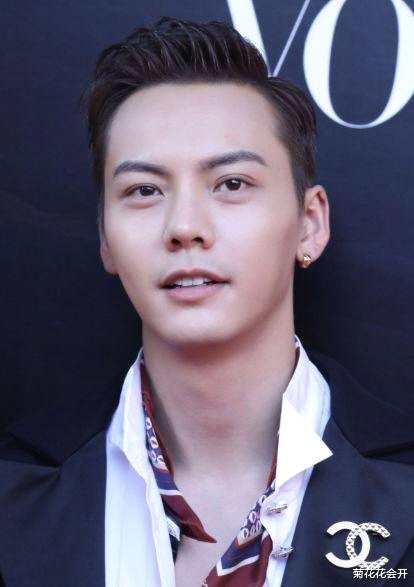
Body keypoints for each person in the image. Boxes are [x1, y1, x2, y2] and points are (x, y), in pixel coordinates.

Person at [0, 15, 413, 587]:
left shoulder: (404, 481)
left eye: (231, 184)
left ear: (310, 223)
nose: (185, 227)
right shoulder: (14, 487)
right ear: (105, 238)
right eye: (144, 190)